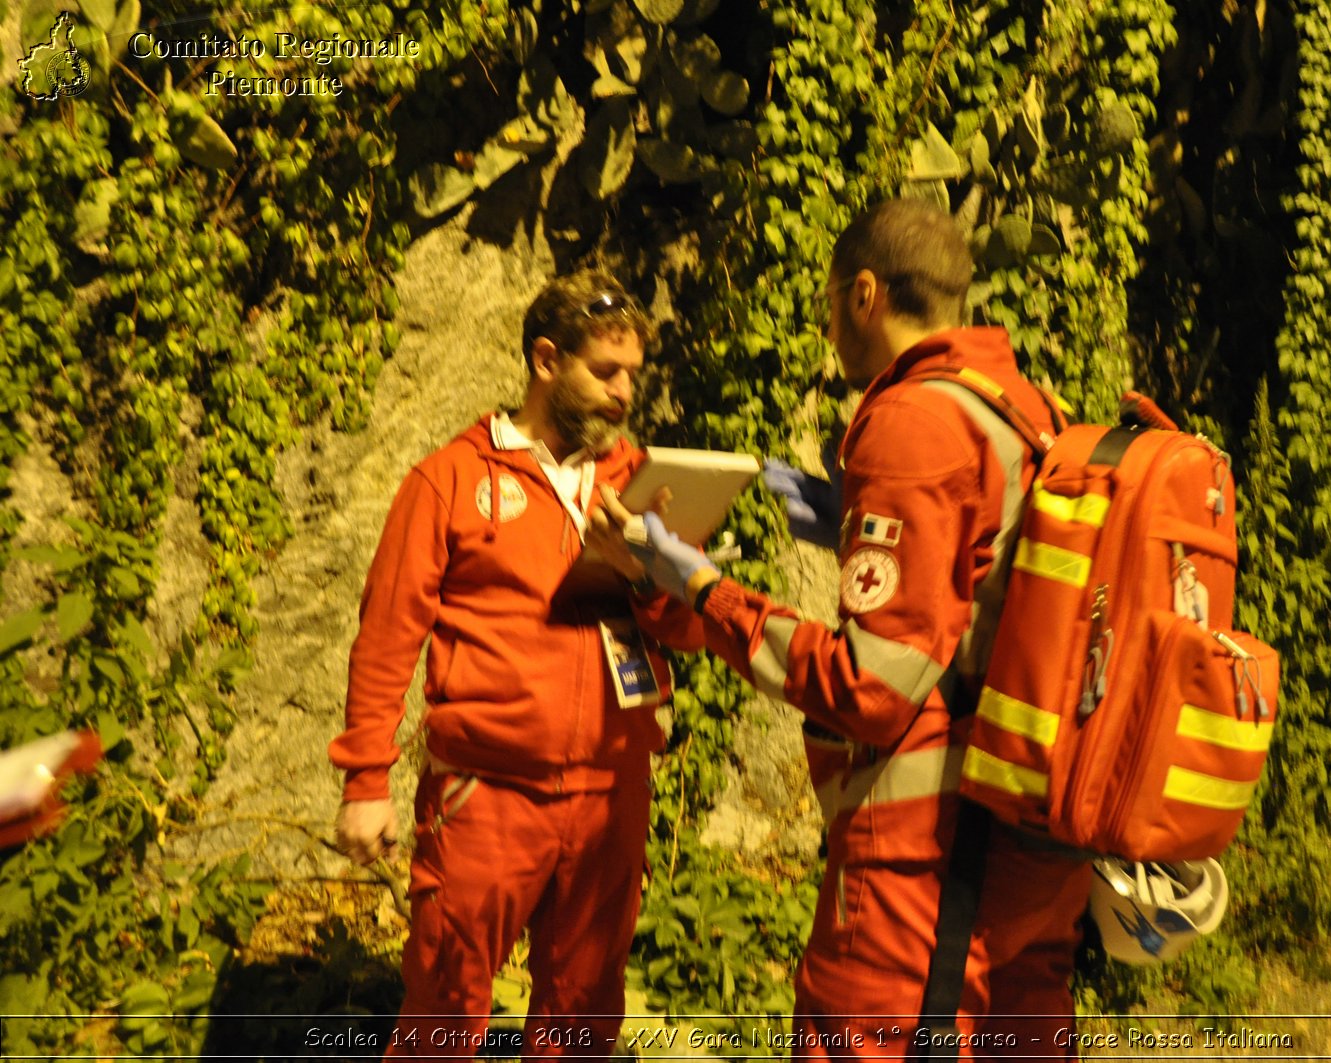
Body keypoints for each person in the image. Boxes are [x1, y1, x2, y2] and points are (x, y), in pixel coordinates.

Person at [590, 199, 1094, 1058]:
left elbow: (873, 687)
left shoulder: (912, 418)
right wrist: (848, 518)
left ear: (863, 291)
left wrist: (702, 585)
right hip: (1035, 847)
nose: (829, 330)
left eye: (830, 305)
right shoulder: (1017, 406)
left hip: (925, 859)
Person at [329, 269, 703, 1059]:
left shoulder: (637, 483)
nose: (624, 391)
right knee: (445, 1009)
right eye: (605, 371)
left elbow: (686, 628)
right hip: (487, 796)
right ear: (544, 360)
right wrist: (366, 780)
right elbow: (386, 637)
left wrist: (651, 568)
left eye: (633, 374)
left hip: (611, 793)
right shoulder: (450, 479)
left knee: (583, 1014)